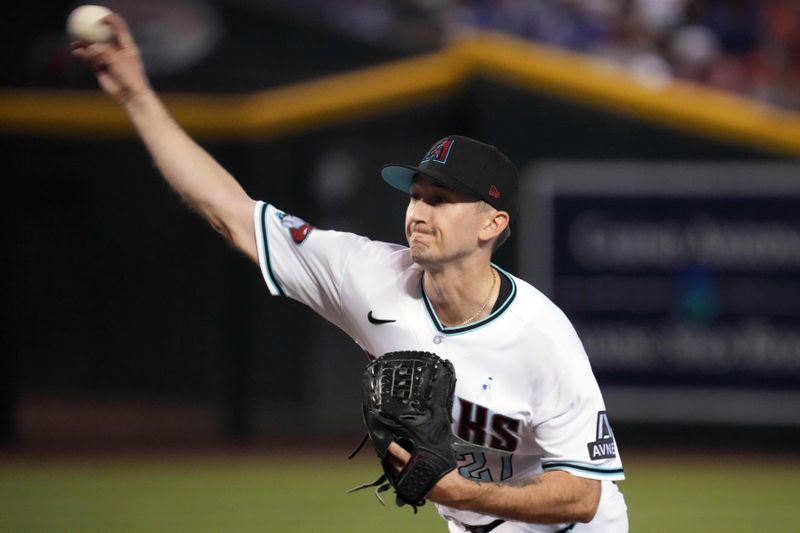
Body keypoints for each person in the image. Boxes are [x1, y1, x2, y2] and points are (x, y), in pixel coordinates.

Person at [72, 13, 628, 533]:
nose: (418, 211)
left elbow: (583, 494)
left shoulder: (541, 336)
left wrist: (463, 493)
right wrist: (137, 94)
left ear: (492, 224)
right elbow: (231, 213)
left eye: (441, 200)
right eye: (416, 195)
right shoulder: (368, 274)